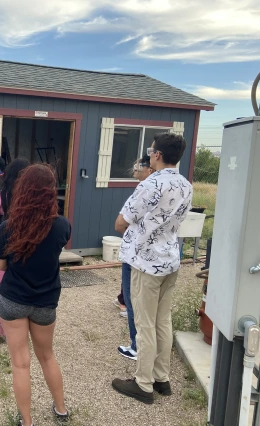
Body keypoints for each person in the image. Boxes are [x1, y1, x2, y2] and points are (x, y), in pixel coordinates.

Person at [112, 133, 192, 404]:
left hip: (146, 261)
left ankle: (143, 383)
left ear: (156, 155)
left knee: (144, 323)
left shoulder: (151, 183)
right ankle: (162, 377)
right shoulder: (185, 185)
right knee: (162, 320)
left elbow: (121, 221)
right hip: (170, 257)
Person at [0, 164, 72, 426]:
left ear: (23, 190)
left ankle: (27, 421)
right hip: (46, 301)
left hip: (13, 300)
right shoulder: (62, 226)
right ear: (50, 193)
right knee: (47, 355)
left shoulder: (9, 226)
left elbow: (0, 265)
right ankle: (61, 409)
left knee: (20, 363)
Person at [0, 158, 30, 338]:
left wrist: (4, 244)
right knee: (20, 287)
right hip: (25, 250)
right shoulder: (30, 198)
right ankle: (18, 325)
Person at [117, 155, 154, 361]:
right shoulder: (181, 185)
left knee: (133, 301)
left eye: (138, 166)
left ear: (150, 168)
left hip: (137, 254)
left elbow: (120, 223)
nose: (134, 169)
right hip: (161, 259)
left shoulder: (144, 189)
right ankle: (150, 348)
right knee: (154, 309)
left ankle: (136, 346)